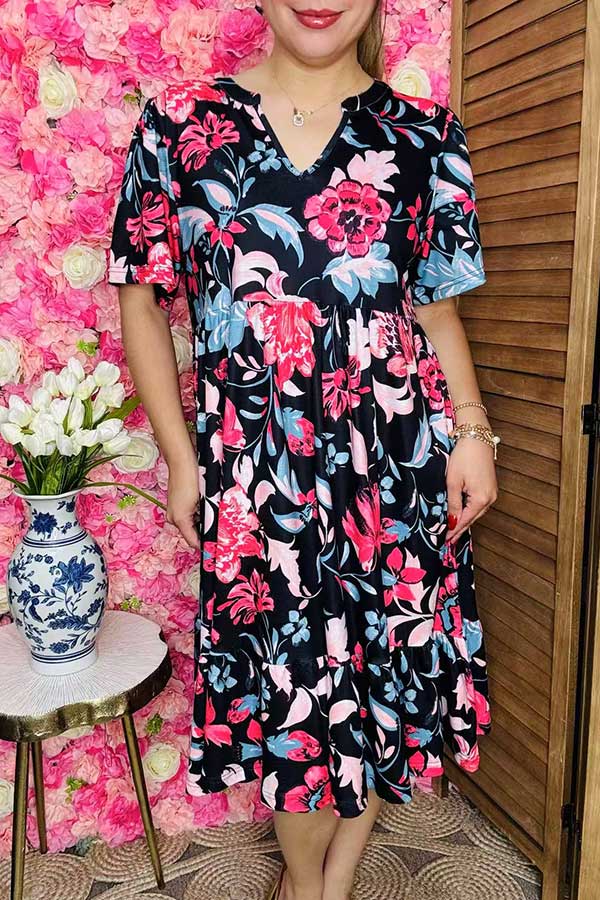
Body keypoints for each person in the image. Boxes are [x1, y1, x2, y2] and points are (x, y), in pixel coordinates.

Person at [107, 2, 498, 898]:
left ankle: (327, 883)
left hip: (395, 467)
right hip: (258, 483)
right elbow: (141, 302)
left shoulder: (426, 136)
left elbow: (437, 310)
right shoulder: (179, 125)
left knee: (383, 680)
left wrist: (471, 431)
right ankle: (308, 880)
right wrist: (182, 460)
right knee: (294, 707)